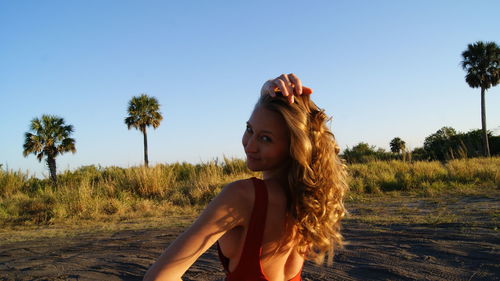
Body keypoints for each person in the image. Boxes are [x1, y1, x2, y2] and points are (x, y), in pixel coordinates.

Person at [143, 73, 348, 281]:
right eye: (249, 129)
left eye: (266, 139)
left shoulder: (243, 196)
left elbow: (158, 277)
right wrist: (266, 96)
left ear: (293, 148)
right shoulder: (305, 200)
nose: (249, 145)